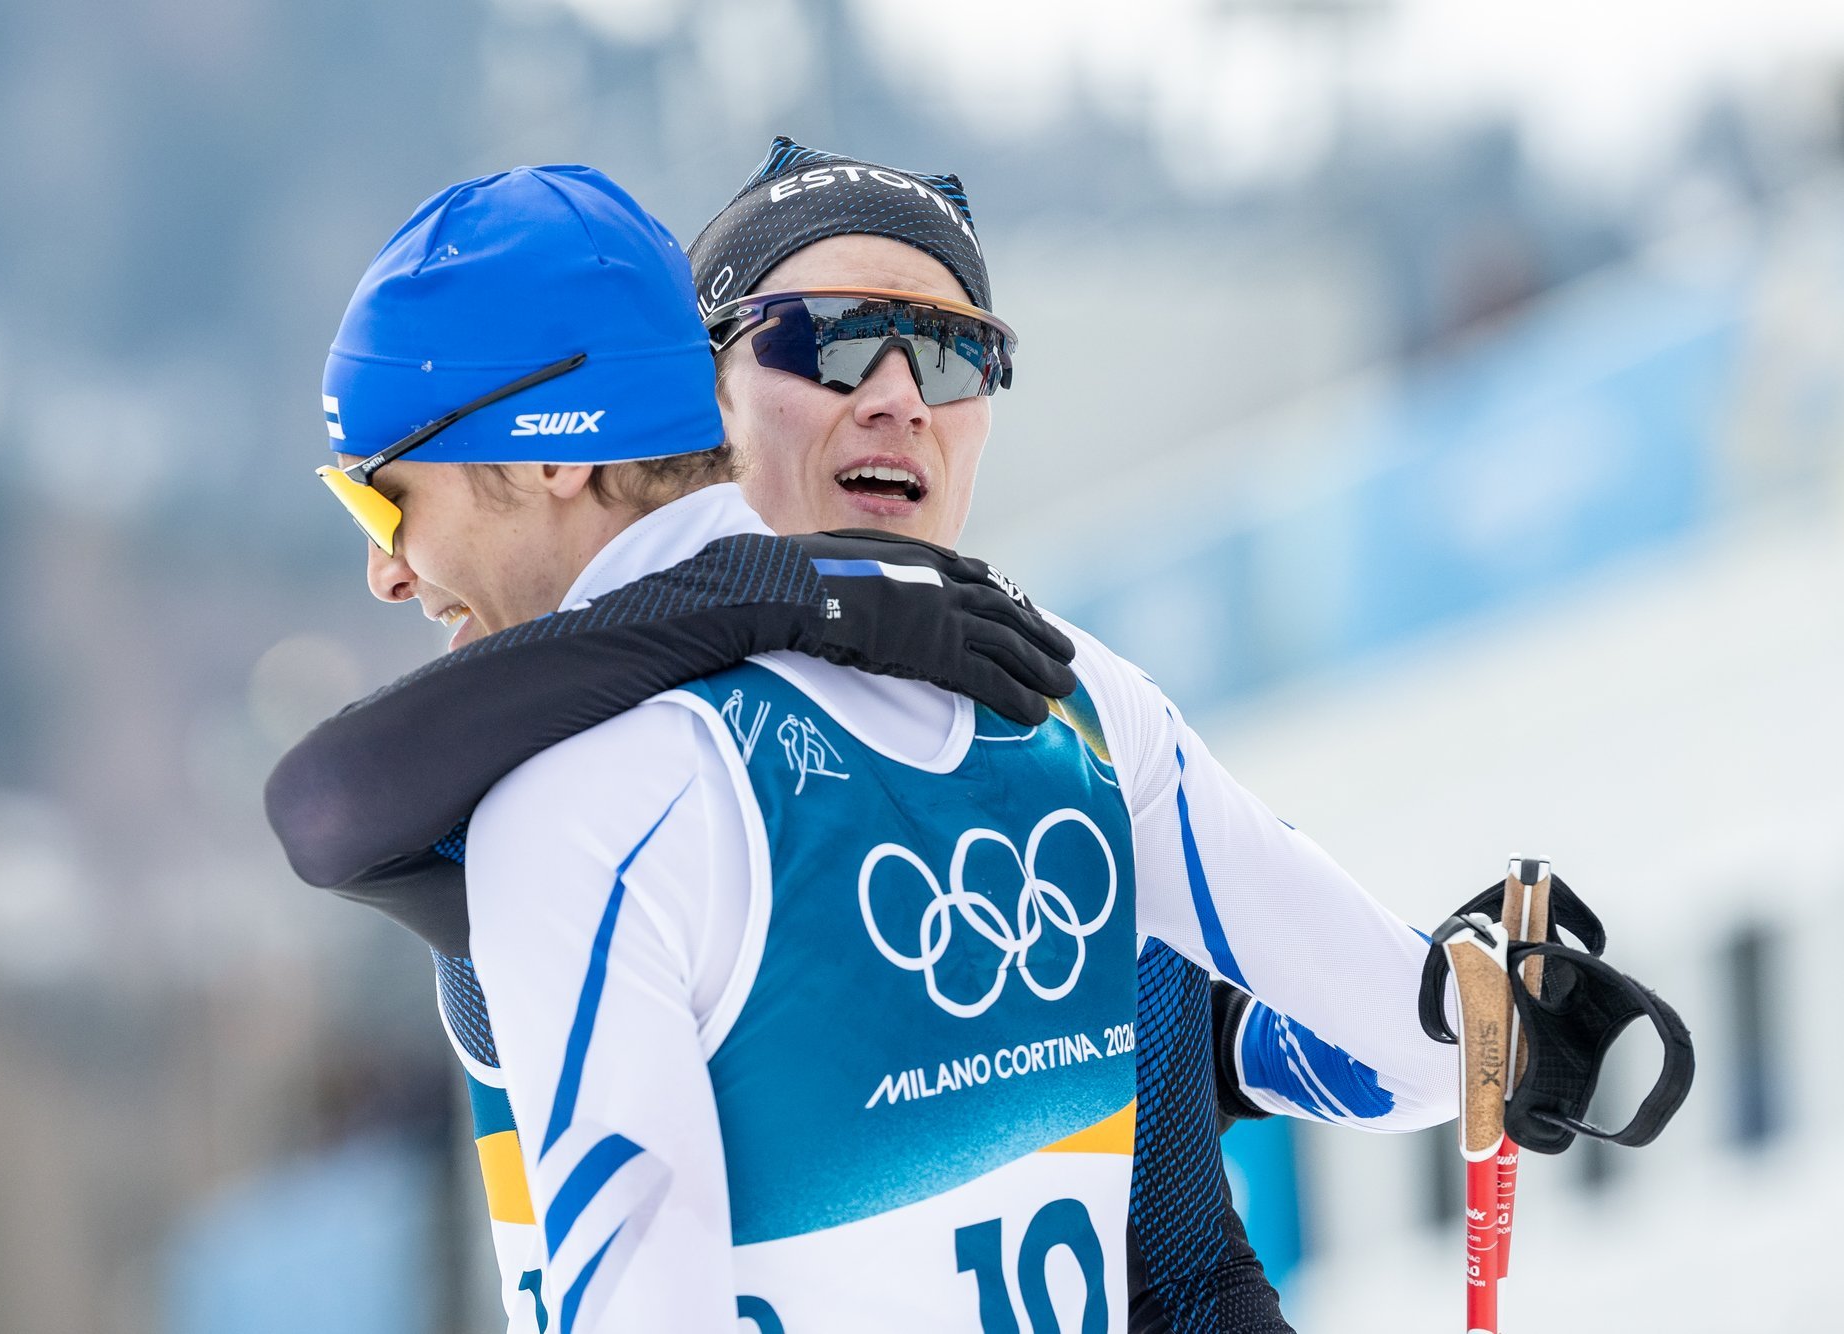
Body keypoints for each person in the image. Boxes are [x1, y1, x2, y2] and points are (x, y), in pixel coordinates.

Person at [287, 159, 1454, 1331]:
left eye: (384, 501)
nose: (385, 567)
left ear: (555, 452)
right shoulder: (1072, 699)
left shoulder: (572, 793)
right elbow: (1432, 1053)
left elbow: (1194, 1268)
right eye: (828, 338)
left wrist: (1239, 1043)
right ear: (708, 389)